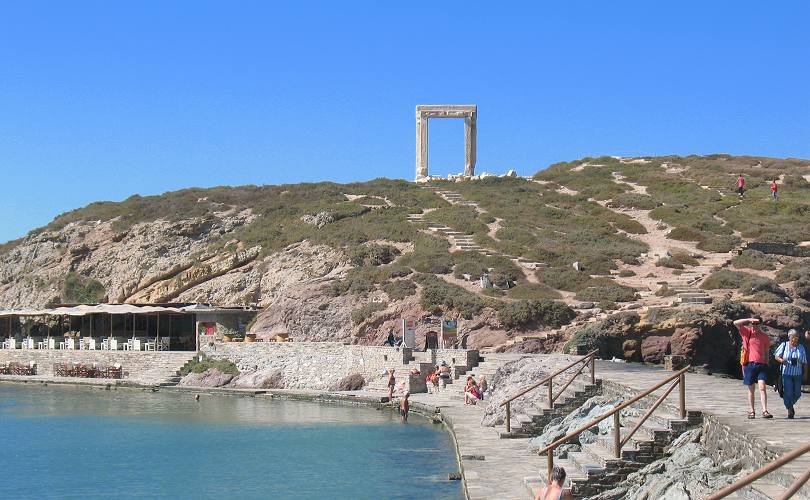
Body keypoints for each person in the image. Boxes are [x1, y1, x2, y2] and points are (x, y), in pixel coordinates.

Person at [734, 317, 773, 419]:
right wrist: (748, 319)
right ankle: (752, 411)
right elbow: (735, 323)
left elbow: (766, 351)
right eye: (753, 323)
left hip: (761, 365)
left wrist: (767, 363)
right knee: (751, 389)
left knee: (762, 387)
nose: (754, 325)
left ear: (761, 324)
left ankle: (764, 410)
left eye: (757, 323)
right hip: (749, 364)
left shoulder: (764, 336)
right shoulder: (747, 332)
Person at [774, 329, 808, 419]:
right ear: (789, 337)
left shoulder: (801, 347)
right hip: (786, 373)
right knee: (788, 392)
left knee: (797, 394)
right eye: (793, 337)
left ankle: (789, 405)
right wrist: (782, 360)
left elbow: (805, 362)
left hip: (798, 374)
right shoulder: (784, 345)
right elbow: (776, 356)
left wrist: (806, 374)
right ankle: (790, 410)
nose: (795, 339)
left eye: (796, 336)